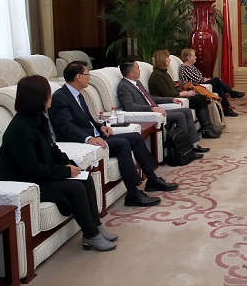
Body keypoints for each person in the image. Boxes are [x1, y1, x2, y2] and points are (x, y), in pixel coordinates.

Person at [0, 75, 119, 251]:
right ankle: (90, 235)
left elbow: (52, 149)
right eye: (48, 94)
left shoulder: (39, 119)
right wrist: (65, 171)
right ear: (38, 97)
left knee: (85, 178)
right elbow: (31, 169)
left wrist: (70, 165)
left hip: (39, 175)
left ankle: (96, 226)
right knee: (75, 188)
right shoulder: (20, 129)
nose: (51, 98)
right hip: (24, 183)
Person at [50, 61, 176, 208]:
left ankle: (152, 180)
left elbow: (87, 120)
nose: (89, 77)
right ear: (78, 77)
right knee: (123, 144)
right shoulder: (60, 97)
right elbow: (66, 127)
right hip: (81, 141)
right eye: (87, 74)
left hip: (96, 135)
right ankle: (133, 193)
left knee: (135, 137)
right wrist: (88, 138)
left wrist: (100, 127)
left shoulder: (78, 95)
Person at [117, 60, 210, 152]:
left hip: (156, 110)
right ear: (131, 73)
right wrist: (152, 108)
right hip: (149, 114)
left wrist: (171, 99)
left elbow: (151, 98)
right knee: (180, 115)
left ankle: (194, 145)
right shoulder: (124, 86)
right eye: (137, 68)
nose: (139, 70)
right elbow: (130, 107)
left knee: (186, 111)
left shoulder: (137, 83)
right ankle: (185, 151)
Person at [148, 50, 221, 138]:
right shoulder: (157, 75)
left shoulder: (163, 73)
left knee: (202, 98)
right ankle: (205, 129)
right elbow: (168, 93)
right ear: (161, 59)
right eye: (167, 58)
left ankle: (208, 127)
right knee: (199, 100)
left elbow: (172, 88)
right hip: (168, 100)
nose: (169, 60)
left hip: (174, 96)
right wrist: (184, 93)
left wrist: (185, 91)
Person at [178, 48, 244, 117]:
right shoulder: (185, 68)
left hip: (199, 84)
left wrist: (205, 79)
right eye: (194, 56)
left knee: (219, 88)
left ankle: (227, 109)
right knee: (216, 80)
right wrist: (205, 79)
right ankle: (232, 93)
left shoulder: (192, 66)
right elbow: (197, 80)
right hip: (194, 86)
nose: (196, 57)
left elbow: (199, 77)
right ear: (188, 58)